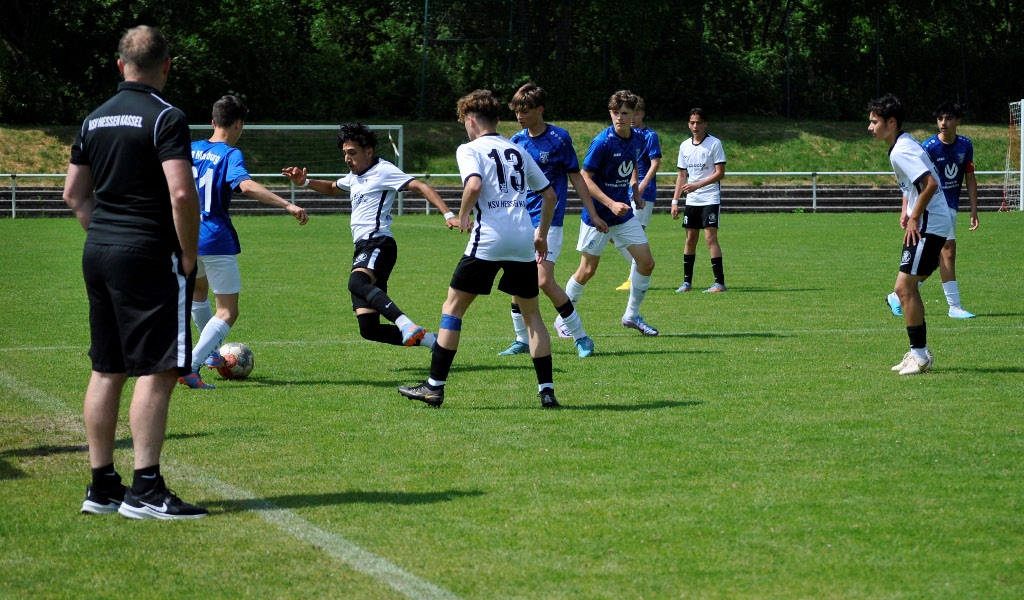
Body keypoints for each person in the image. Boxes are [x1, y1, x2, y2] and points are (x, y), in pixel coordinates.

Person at [62, 25, 208, 519]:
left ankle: (102, 485)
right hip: (147, 253)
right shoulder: (166, 116)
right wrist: (187, 253)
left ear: (120, 64)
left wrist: (105, 234)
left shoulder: (93, 119)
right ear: (166, 66)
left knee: (107, 368)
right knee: (159, 369)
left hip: (99, 250)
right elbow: (181, 192)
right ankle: (145, 488)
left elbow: (73, 194)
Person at [398, 89, 560, 408]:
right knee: (532, 316)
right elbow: (550, 195)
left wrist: (462, 215)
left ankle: (434, 387)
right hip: (522, 238)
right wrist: (541, 235)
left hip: (490, 238)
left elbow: (473, 185)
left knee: (452, 308)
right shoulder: (517, 149)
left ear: (471, 120)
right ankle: (547, 391)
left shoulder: (469, 149)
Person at [283, 123, 458, 352]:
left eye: (352, 153)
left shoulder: (384, 170)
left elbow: (421, 187)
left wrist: (448, 214)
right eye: (345, 153)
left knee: (356, 282)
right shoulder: (354, 176)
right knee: (369, 329)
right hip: (363, 247)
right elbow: (333, 187)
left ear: (369, 151)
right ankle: (434, 342)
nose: (347, 158)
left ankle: (406, 324)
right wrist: (305, 182)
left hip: (379, 243)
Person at [181, 95, 310, 389]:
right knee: (228, 310)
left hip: (185, 235)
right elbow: (246, 185)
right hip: (215, 237)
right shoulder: (230, 154)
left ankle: (212, 354)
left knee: (199, 293)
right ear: (239, 124)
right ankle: (191, 365)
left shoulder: (191, 148)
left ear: (213, 122)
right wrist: (287, 204)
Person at [498, 82, 600, 359]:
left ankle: (581, 336)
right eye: (516, 111)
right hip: (520, 221)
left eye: (525, 111)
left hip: (549, 221)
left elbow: (576, 176)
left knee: (543, 280)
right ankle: (521, 339)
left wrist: (592, 212)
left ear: (540, 109)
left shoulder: (559, 138)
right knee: (517, 281)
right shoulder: (516, 141)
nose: (519, 116)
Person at [868, 93, 952, 375]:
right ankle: (918, 353)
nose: (870, 127)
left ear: (891, 122)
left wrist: (915, 216)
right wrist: (906, 209)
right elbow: (913, 184)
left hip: (929, 223)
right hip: (932, 221)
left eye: (874, 122)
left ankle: (920, 355)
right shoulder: (902, 145)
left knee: (904, 288)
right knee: (907, 286)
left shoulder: (901, 150)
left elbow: (930, 183)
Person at [564, 90, 659, 336]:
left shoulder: (639, 138)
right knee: (587, 270)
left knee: (646, 262)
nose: (619, 117)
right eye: (615, 113)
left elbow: (633, 164)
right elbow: (584, 178)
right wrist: (609, 204)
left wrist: (635, 191)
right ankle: (563, 319)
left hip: (623, 214)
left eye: (624, 113)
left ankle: (631, 315)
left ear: (634, 114)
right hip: (598, 216)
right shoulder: (602, 142)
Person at [885, 100, 979, 319]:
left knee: (937, 258)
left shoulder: (965, 145)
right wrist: (906, 211)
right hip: (933, 208)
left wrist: (974, 209)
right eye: (939, 119)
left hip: (950, 207)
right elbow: (914, 182)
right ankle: (954, 306)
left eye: (948, 118)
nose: (943, 123)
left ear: (958, 121)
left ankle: (898, 295)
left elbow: (970, 177)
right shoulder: (928, 146)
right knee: (948, 251)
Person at [671, 108, 727, 293]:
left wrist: (697, 185)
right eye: (692, 122)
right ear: (688, 124)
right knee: (690, 239)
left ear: (705, 124)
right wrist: (675, 201)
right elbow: (681, 175)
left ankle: (719, 283)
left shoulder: (714, 143)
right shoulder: (684, 146)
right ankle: (687, 283)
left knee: (710, 238)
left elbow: (720, 173)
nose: (695, 126)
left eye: (698, 122)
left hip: (710, 197)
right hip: (692, 200)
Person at [615, 96, 662, 291]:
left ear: (642, 114)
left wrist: (641, 187)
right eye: (630, 113)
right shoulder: (629, 136)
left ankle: (634, 278)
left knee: (635, 236)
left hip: (644, 191)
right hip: (627, 190)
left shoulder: (650, 136)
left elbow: (655, 163)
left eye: (636, 113)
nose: (632, 117)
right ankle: (643, 264)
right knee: (615, 236)